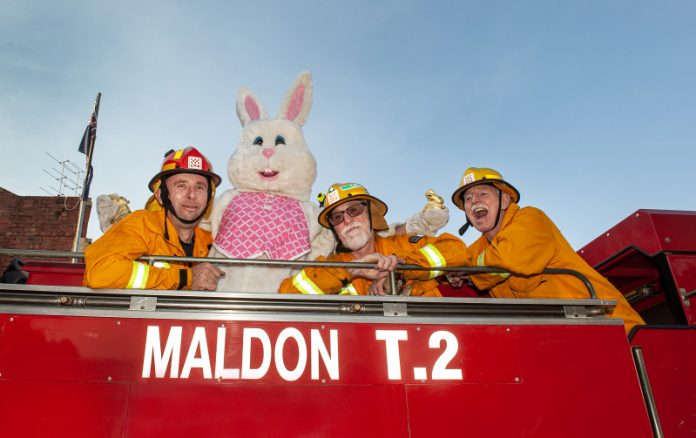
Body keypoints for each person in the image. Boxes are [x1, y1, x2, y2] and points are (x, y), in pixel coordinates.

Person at [450, 167, 644, 334]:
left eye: (483, 194)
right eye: (468, 199)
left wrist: (467, 271)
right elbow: (453, 261)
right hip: (567, 339)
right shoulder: (480, 248)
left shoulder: (531, 219)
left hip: (615, 332)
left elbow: (507, 259)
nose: (474, 201)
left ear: (506, 200)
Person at [279, 183, 467, 296]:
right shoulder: (331, 268)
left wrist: (401, 272)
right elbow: (286, 294)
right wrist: (354, 270)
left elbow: (457, 249)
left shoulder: (404, 245)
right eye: (337, 217)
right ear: (334, 229)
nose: (347, 220)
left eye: (354, 210)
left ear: (371, 214)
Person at [84, 147, 224, 290]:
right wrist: (185, 278)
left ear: (209, 198)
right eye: (181, 186)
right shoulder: (142, 225)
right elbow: (100, 273)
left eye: (200, 187)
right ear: (161, 196)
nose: (191, 195)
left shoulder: (213, 242)